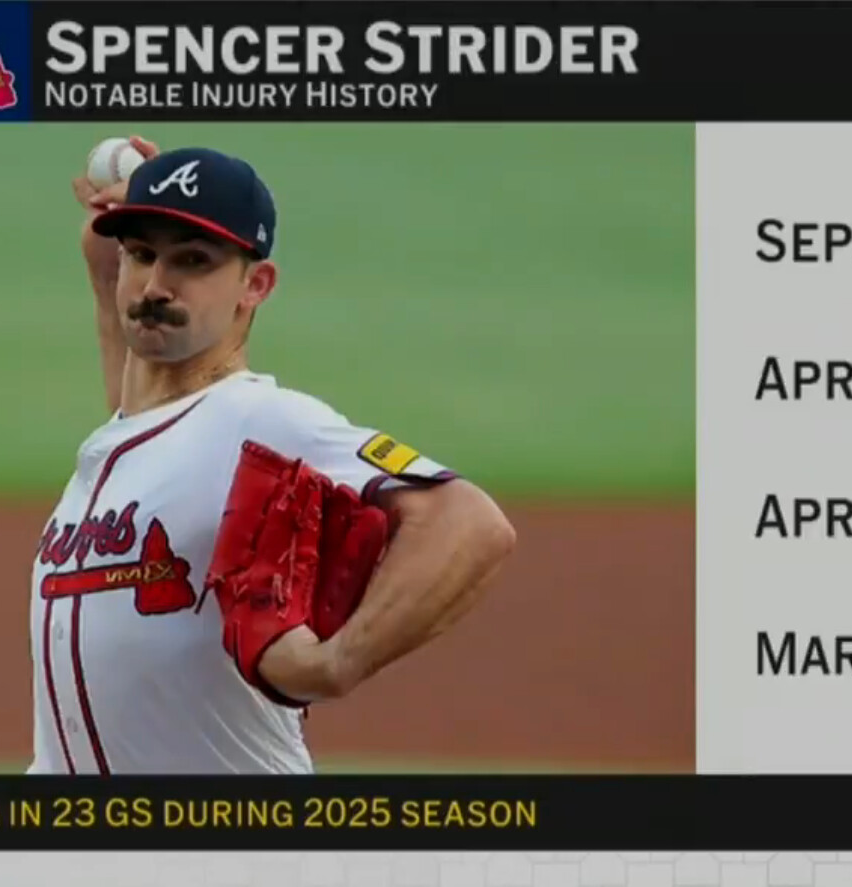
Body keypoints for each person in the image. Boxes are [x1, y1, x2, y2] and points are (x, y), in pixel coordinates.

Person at [28, 136, 515, 774]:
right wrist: (110, 257)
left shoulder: (262, 420)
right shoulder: (124, 438)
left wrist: (334, 664)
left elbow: (470, 523)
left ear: (254, 285)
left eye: (193, 262)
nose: (156, 285)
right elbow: (143, 387)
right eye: (141, 255)